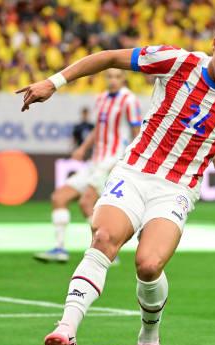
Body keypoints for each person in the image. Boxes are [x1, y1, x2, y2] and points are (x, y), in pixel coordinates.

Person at [17, 19, 215, 345]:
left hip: (176, 189)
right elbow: (108, 58)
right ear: (214, 43)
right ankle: (66, 327)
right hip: (133, 172)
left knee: (148, 265)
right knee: (103, 237)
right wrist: (54, 82)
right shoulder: (176, 62)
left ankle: (149, 335)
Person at [33, 69, 142, 263]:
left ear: (123, 79)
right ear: (105, 78)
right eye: (109, 76)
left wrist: (131, 160)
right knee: (59, 197)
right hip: (95, 161)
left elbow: (137, 133)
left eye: (117, 76)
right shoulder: (100, 99)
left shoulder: (129, 100)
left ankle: (105, 248)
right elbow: (98, 130)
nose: (113, 80)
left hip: (112, 161)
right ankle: (59, 249)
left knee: (86, 202)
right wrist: (82, 148)